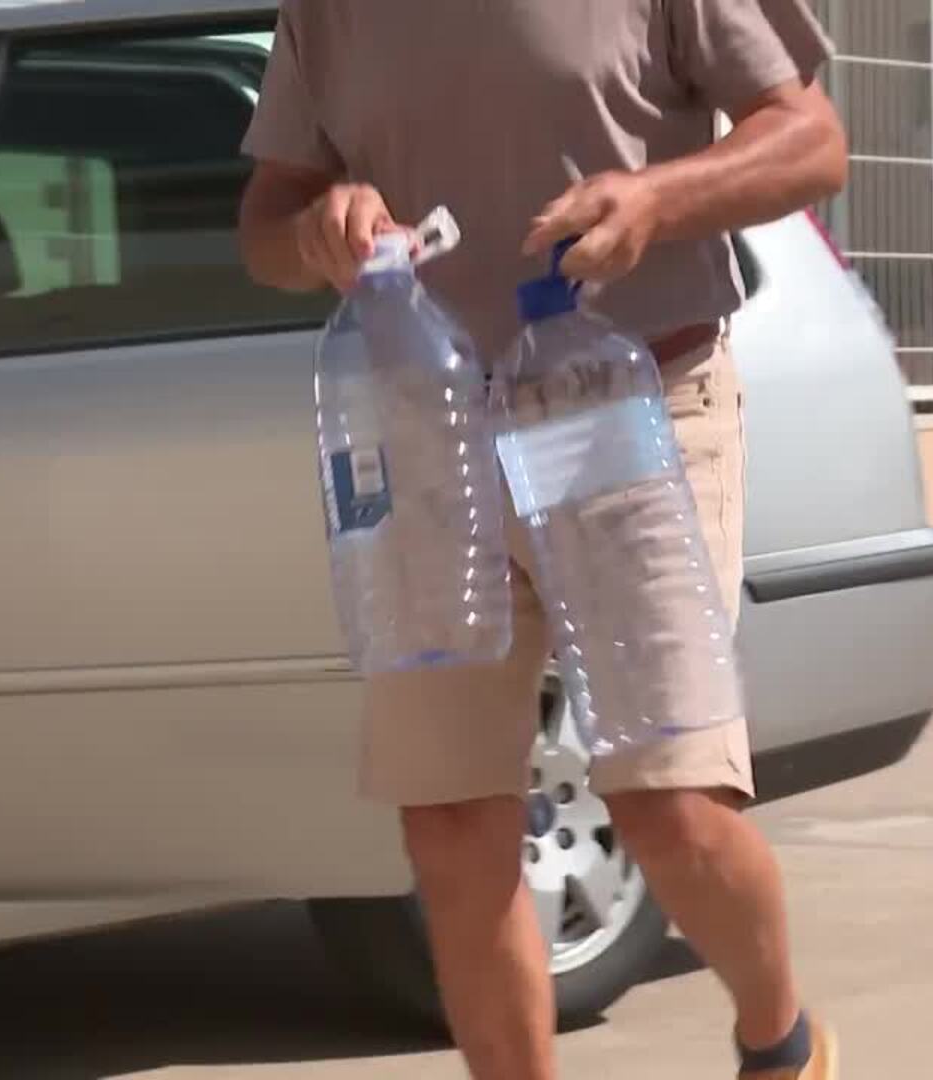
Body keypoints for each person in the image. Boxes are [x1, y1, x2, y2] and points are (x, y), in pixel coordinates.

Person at [237, 3, 847, 1078]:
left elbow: (811, 141)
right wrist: (320, 226)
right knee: (451, 829)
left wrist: (658, 198)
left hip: (629, 402)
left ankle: (780, 1044)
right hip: (429, 423)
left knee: (668, 806)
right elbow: (266, 225)